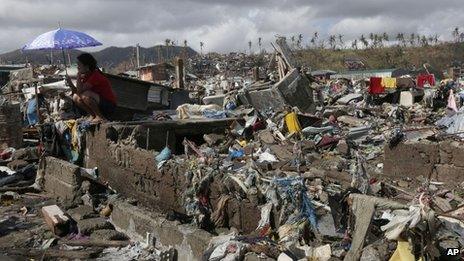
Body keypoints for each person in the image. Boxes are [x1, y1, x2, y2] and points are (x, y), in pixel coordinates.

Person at [66, 53, 116, 123]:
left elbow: (81, 91)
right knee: (75, 97)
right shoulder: (86, 76)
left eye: (79, 65)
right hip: (98, 102)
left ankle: (100, 117)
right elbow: (77, 92)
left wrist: (78, 76)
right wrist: (70, 83)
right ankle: (92, 115)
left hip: (108, 105)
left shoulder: (95, 75)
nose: (78, 67)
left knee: (86, 94)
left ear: (86, 66)